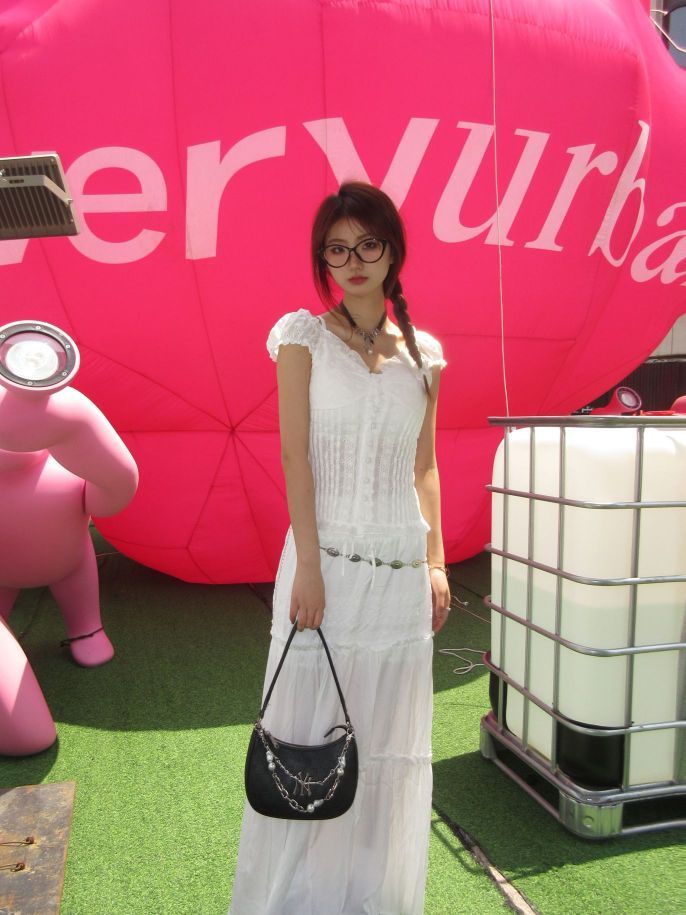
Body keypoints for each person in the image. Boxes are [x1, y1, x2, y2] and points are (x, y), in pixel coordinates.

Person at [229, 181, 451, 915]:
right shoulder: (303, 338)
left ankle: (368, 899)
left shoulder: (424, 354)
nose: (353, 261)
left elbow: (424, 466)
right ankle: (294, 900)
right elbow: (294, 455)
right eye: (336, 249)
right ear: (323, 260)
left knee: (383, 746)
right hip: (322, 570)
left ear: (393, 251)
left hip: (399, 578)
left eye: (367, 245)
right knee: (303, 741)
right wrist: (311, 566)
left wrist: (436, 563)